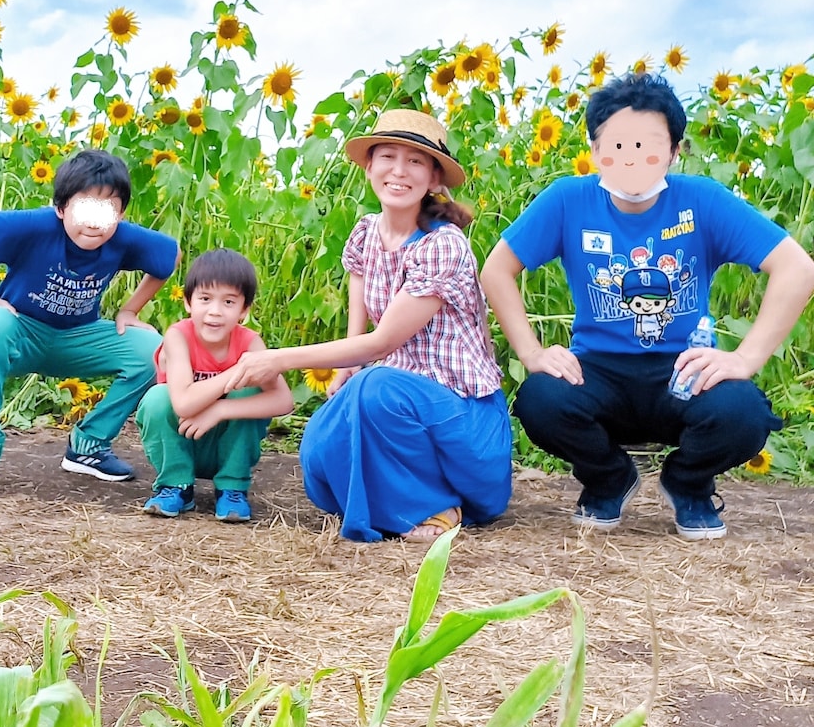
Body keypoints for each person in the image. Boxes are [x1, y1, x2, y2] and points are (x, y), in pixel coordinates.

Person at [481, 72, 814, 541]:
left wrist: (746, 358)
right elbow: (496, 270)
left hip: (683, 371)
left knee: (744, 413)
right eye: (617, 146)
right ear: (596, 151)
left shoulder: (701, 200)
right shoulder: (567, 200)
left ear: (675, 151)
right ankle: (608, 478)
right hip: (597, 370)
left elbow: (797, 269)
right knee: (540, 399)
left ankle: (689, 484)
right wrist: (532, 353)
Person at [225, 109, 512, 543]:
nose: (399, 171)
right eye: (388, 156)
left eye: (415, 161)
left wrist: (276, 360)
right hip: (395, 398)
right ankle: (394, 499)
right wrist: (344, 372)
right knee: (319, 446)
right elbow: (357, 338)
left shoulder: (443, 246)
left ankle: (440, 506)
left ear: (435, 179)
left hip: (462, 418)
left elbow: (381, 343)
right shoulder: (364, 234)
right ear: (369, 166)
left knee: (376, 388)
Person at [0, 148, 179, 498]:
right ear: (61, 207)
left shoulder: (123, 238)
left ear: (121, 214)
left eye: (107, 210)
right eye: (84, 209)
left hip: (79, 338)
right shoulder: (35, 226)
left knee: (154, 351)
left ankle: (89, 446)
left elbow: (170, 256)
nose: (95, 223)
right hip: (22, 331)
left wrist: (130, 310)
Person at [136, 248, 293, 524]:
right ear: (188, 302)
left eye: (229, 302)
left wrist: (221, 410)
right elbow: (183, 403)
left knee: (251, 389)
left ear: (244, 310)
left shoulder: (249, 343)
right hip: (182, 442)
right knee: (157, 399)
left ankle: (232, 488)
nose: (215, 312)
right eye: (205, 299)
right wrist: (239, 370)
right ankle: (176, 486)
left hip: (228, 446)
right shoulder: (178, 337)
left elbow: (284, 401)